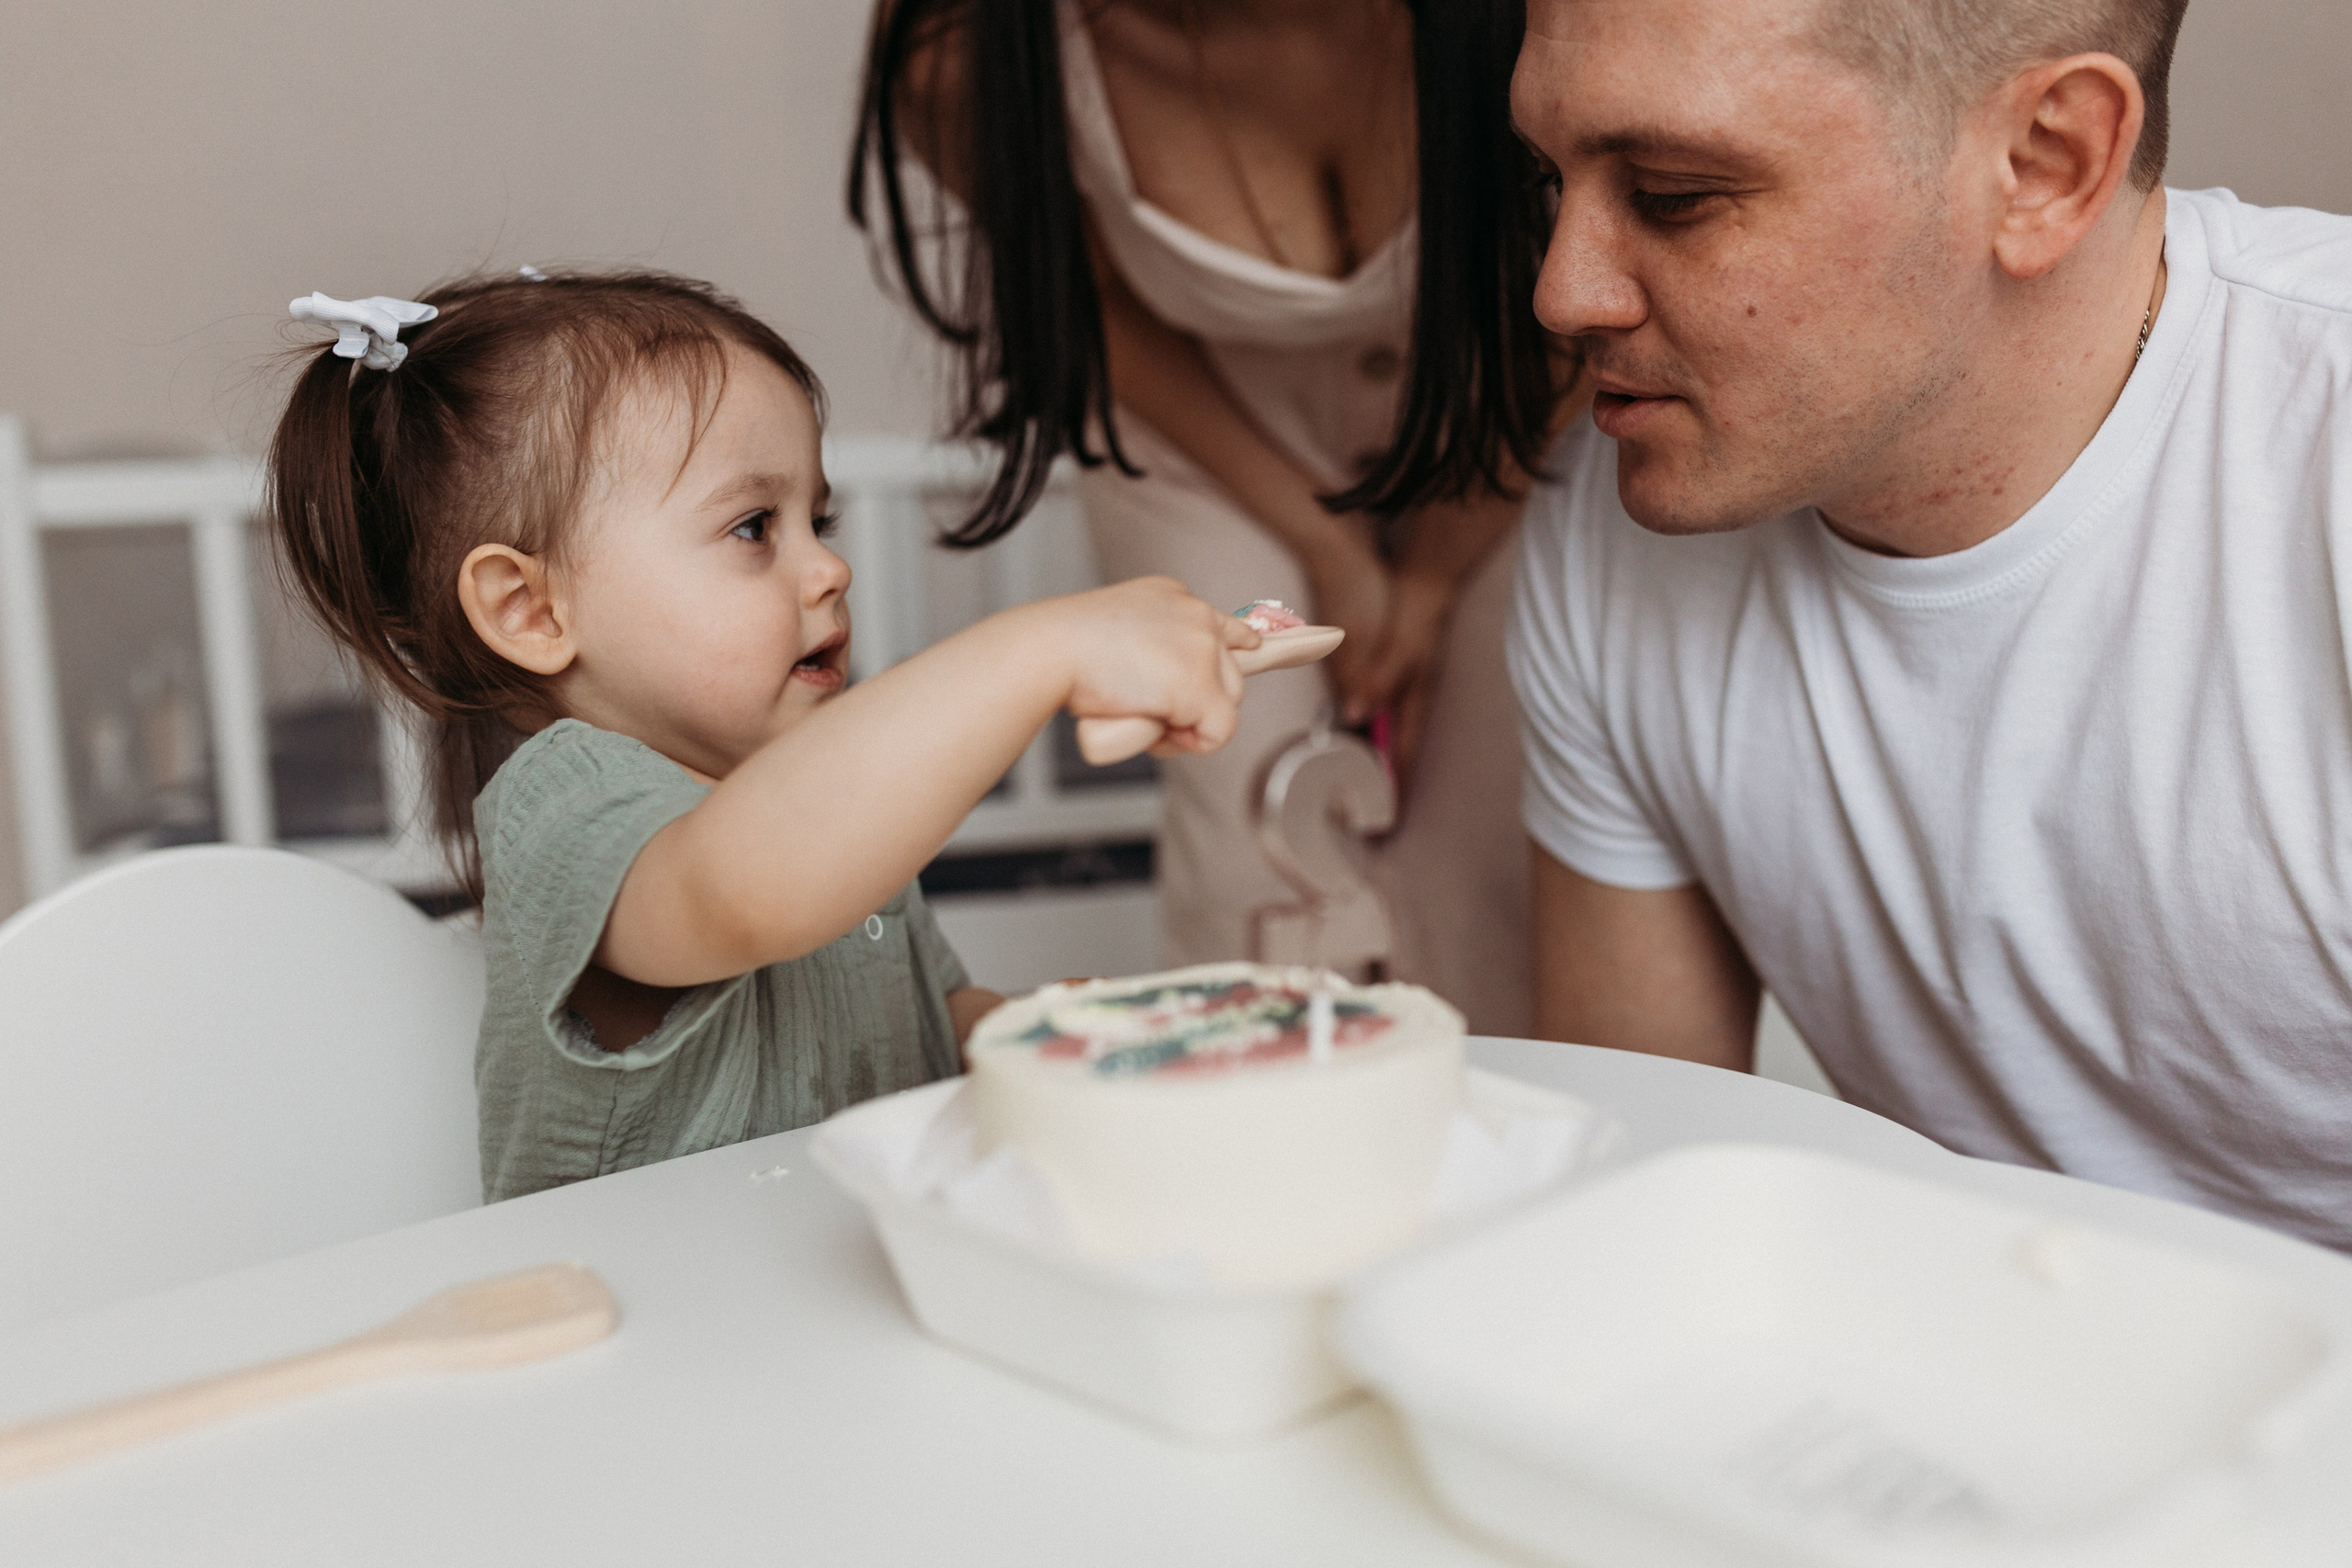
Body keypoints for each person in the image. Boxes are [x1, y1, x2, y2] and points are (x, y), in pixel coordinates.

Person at [1503, 0, 2352, 1248]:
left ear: (2046, 162)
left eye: (1676, 193)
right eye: (1548, 177)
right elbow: (1640, 1218)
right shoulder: (1612, 531)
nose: (1561, 291)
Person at [265, 271, 1256, 1201]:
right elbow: (740, 891)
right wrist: (1044, 645)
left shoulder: (827, 811)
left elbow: (923, 1025)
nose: (829, 571)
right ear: (530, 609)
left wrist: (1034, 1038)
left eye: (817, 521)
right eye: (753, 530)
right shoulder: (563, 804)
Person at [850, 0, 1562, 1033]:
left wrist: (1436, 573)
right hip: (1205, 438)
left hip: (1514, 412)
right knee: (1249, 816)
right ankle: (1249, 1131)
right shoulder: (957, 51)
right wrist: (1326, 546)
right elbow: (1088, 313)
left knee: (1500, 831)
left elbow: (1596, 278)